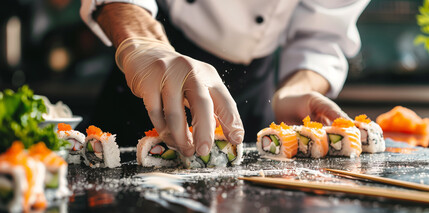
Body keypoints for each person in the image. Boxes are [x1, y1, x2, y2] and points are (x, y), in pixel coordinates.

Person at [79, 0, 369, 157]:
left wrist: (296, 89)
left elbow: (320, 35)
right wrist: (144, 44)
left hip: (256, 90)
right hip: (154, 59)